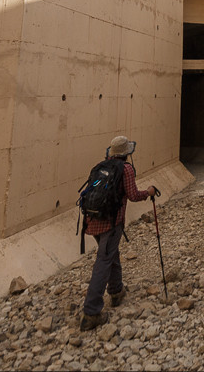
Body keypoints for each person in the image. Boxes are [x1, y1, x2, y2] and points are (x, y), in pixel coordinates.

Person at [81, 135, 158, 331]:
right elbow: (132, 195)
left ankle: (116, 291)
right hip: (112, 223)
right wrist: (148, 193)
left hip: (92, 221)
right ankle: (91, 312)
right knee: (104, 261)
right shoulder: (126, 169)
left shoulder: (101, 166)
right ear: (127, 153)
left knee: (111, 254)